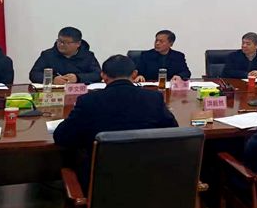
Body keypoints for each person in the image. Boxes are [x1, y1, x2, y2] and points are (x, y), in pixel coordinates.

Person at [54, 55, 178, 187]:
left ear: (103, 75)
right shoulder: (153, 98)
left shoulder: (89, 101)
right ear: (134, 74)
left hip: (100, 182)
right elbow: (173, 132)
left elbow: (62, 137)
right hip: (149, 178)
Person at [29, 27, 101, 84]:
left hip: (79, 92)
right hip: (55, 92)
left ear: (78, 44)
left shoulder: (88, 56)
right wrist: (53, 79)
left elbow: (98, 75)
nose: (61, 45)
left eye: (67, 43)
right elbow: (34, 74)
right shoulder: (48, 55)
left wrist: (78, 78)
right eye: (60, 41)